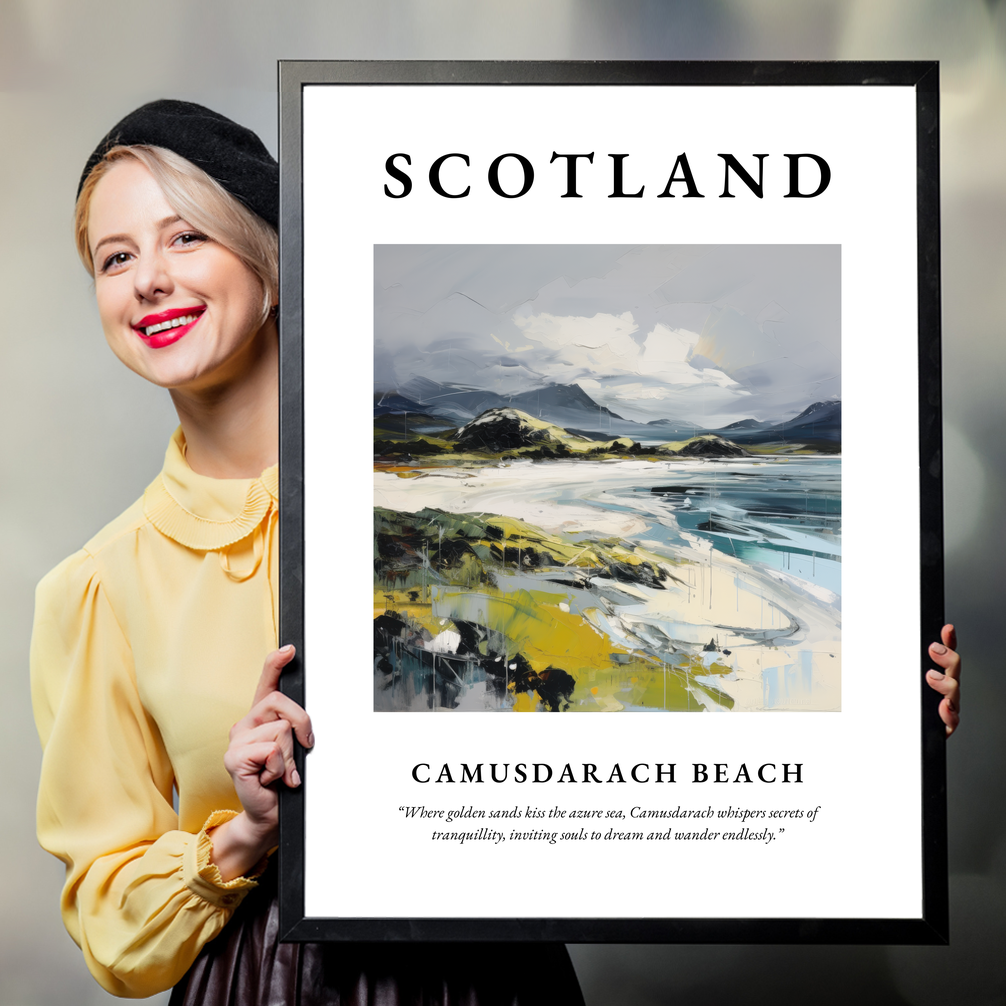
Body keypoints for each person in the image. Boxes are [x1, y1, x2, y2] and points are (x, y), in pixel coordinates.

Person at [30, 100, 586, 1004]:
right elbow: (110, 923)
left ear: (273, 263)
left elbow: (604, 715)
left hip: (493, 973)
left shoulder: (439, 509)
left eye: (185, 238)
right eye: (116, 257)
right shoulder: (97, 587)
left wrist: (888, 706)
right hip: (263, 982)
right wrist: (245, 832)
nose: (148, 281)